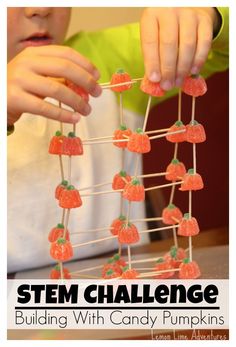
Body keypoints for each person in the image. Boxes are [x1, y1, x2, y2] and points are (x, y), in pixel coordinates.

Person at [7, 7, 229, 273]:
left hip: (124, 284)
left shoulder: (108, 58)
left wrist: (211, 14)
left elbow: (222, 49)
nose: (39, 8)